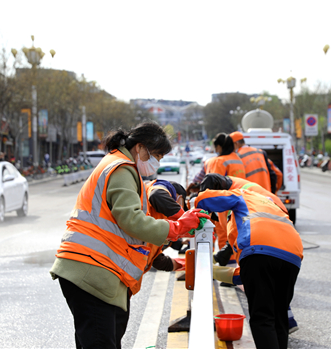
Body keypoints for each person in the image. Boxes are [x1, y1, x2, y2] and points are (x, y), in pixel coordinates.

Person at [49, 122, 210, 349]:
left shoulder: (120, 165)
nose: (157, 163)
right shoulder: (122, 168)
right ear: (140, 148)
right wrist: (178, 226)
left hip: (94, 270)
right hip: (91, 270)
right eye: (156, 155)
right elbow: (131, 220)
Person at [195, 188, 303, 349]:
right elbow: (249, 275)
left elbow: (206, 198)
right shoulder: (271, 204)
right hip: (293, 256)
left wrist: (196, 205)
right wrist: (213, 271)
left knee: (263, 316)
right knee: (279, 315)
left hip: (259, 251)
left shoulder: (242, 195)